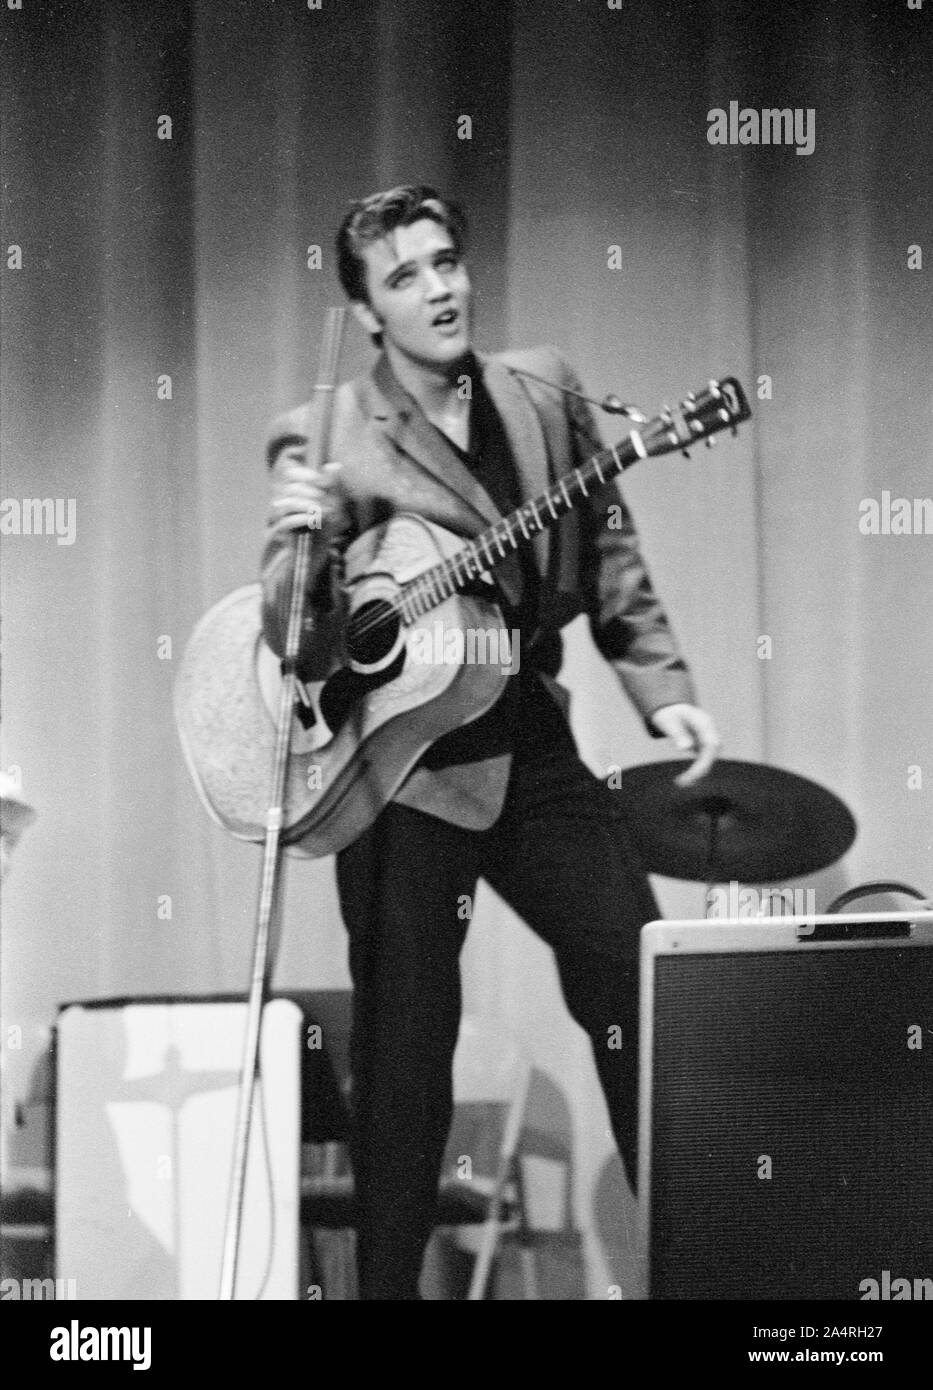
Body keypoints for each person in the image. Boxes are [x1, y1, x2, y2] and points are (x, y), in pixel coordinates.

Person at [260, 185, 720, 1299]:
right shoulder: (325, 436)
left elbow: (609, 538)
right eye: (406, 276)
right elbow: (298, 639)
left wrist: (660, 684)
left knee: (635, 981)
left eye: (446, 261)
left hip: (527, 729)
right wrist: (301, 547)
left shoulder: (544, 386)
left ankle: (715, 1267)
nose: (439, 288)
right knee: (408, 1058)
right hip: (402, 766)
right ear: (370, 312)